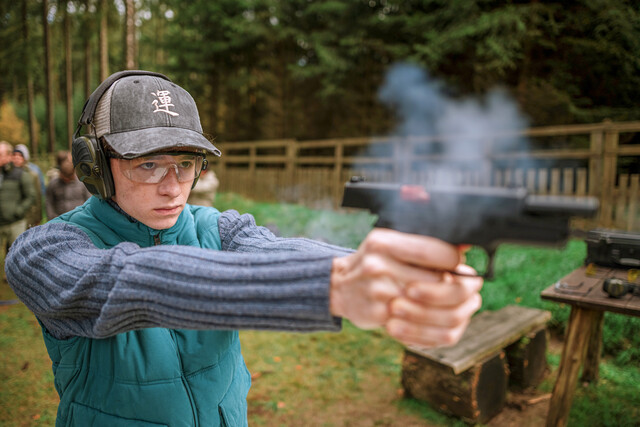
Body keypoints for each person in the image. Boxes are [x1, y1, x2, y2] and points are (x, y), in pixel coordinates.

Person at [5, 71, 482, 426]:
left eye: (186, 164)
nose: (174, 187)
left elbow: (274, 250)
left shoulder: (218, 227)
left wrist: (381, 272)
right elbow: (130, 282)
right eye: (148, 164)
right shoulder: (44, 251)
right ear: (95, 166)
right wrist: (334, 288)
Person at [0, 140, 36, 253]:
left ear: (9, 156)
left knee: (16, 255)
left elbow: (31, 196)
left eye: (0, 155)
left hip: (15, 224)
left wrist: (18, 211)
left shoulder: (21, 174)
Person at [45, 150, 91, 220]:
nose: (65, 180)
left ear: (73, 174)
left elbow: (89, 203)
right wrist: (53, 219)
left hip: (79, 221)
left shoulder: (83, 183)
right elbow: (49, 203)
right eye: (63, 176)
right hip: (59, 222)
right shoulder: (53, 184)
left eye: (67, 178)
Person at [12, 144, 43, 228]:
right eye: (14, 155)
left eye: (20, 156)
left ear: (24, 159)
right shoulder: (6, 175)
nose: (17, 158)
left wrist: (38, 217)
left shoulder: (33, 175)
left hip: (29, 216)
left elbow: (37, 198)